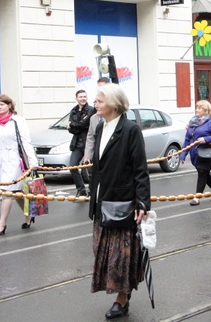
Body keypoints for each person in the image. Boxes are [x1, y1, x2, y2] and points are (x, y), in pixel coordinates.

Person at [88, 83, 151, 319]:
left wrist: (142, 203)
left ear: (113, 104)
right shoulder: (100, 127)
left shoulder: (130, 129)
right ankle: (117, 291)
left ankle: (122, 299)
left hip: (122, 203)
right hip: (101, 201)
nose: (96, 104)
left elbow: (140, 169)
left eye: (100, 101)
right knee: (101, 251)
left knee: (120, 256)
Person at [0, 94, 38, 234]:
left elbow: (26, 142)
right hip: (2, 160)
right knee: (17, 193)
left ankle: (1, 224)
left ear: (9, 106)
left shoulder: (18, 121)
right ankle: (29, 215)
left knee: (7, 191)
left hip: (16, 160)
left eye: (2, 104)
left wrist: (33, 162)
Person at [181, 100, 211, 206]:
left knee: (202, 172)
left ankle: (197, 197)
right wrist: (183, 155)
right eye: (196, 107)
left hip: (206, 153)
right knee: (205, 174)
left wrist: (205, 139)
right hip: (195, 154)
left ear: (206, 110)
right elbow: (187, 139)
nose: (197, 110)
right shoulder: (193, 122)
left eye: (199, 108)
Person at [68, 89, 95, 197]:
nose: (83, 98)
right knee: (72, 167)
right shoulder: (73, 110)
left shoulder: (91, 110)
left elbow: (83, 124)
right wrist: (77, 125)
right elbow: (71, 130)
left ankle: (92, 191)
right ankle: (81, 189)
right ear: (76, 98)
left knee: (90, 171)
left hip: (88, 144)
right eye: (80, 97)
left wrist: (74, 125)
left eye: (84, 96)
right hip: (77, 144)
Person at [82, 77, 111, 179]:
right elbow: (90, 138)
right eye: (95, 102)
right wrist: (88, 156)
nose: (96, 105)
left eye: (99, 102)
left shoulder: (115, 118)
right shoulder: (94, 118)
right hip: (97, 157)